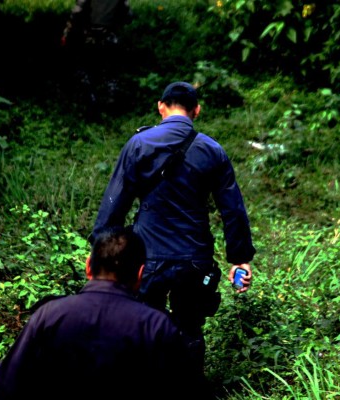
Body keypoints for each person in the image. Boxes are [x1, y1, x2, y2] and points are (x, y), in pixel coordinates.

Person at [90, 81, 256, 373]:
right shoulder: (212, 150)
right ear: (197, 111)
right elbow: (233, 210)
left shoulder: (138, 145)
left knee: (142, 325)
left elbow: (114, 204)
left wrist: (99, 250)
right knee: (189, 328)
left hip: (145, 258)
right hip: (194, 259)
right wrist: (239, 258)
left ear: (161, 107)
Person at [0, 226, 211, 399]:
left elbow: (7, 385)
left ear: (88, 266)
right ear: (140, 274)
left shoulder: (49, 315)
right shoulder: (156, 325)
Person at [60, 0, 133, 112]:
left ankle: (90, 102)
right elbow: (128, 16)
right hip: (110, 35)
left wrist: (67, 31)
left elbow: (77, 12)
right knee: (111, 72)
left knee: (86, 69)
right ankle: (111, 102)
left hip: (91, 35)